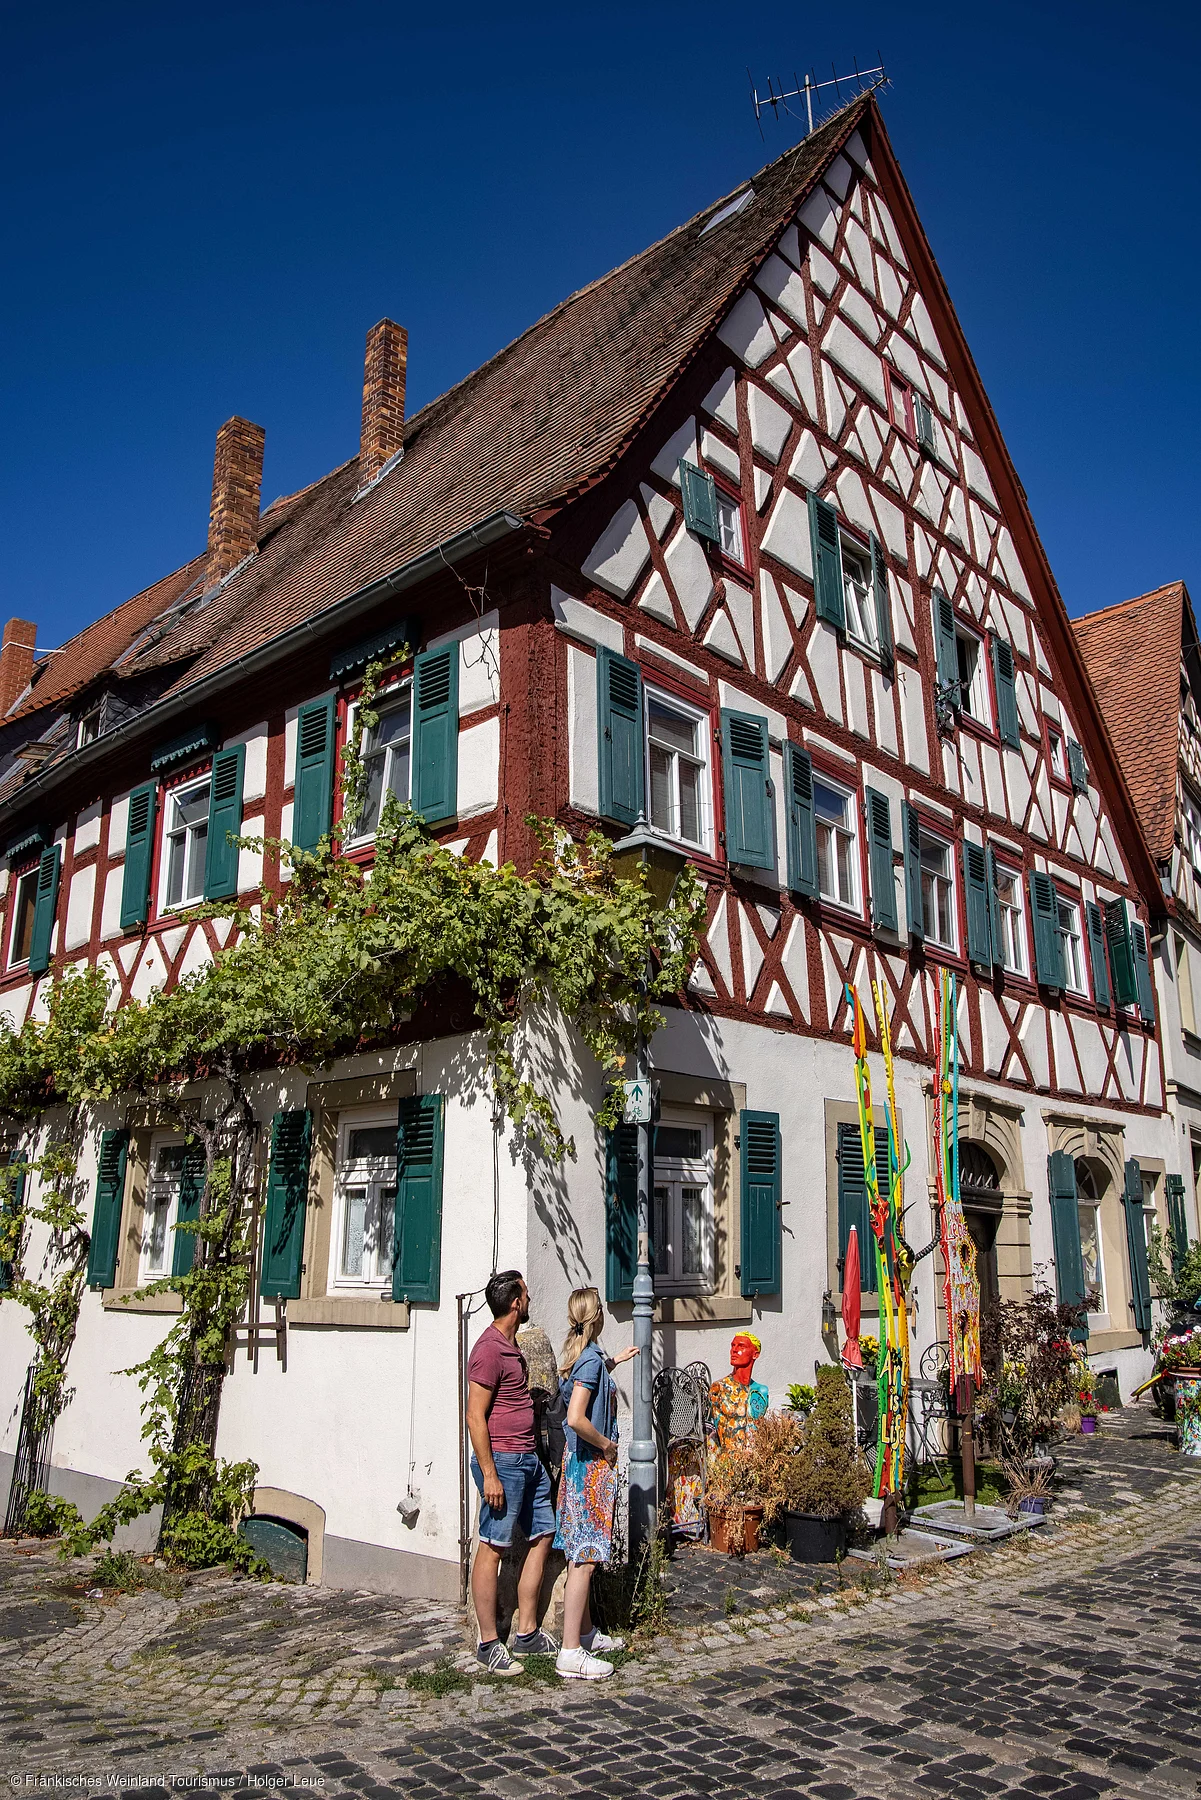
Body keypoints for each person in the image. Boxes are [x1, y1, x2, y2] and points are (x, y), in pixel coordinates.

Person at [466, 1270, 558, 1676]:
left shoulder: (511, 1345)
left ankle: (527, 1633)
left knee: (544, 1533)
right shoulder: (488, 1349)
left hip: (528, 1459)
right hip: (502, 1462)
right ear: (516, 1303)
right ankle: (488, 1643)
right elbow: (475, 1415)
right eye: (527, 1293)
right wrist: (489, 1474)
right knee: (493, 1547)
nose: (530, 1299)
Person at [553, 1286, 639, 1681]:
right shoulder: (589, 1362)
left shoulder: (584, 1357)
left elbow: (592, 1374)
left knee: (580, 1555)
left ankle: (585, 1634)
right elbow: (575, 1417)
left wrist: (614, 1361)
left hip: (578, 1466)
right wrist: (607, 1445)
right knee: (585, 1560)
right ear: (596, 1316)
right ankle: (570, 1652)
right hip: (590, 1467)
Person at [708, 1332, 769, 1451]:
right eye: (733, 1346)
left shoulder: (761, 1391)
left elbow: (758, 1427)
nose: (734, 1350)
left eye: (741, 1346)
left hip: (755, 1457)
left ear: (755, 1354)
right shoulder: (719, 1388)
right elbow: (719, 1429)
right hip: (728, 1457)